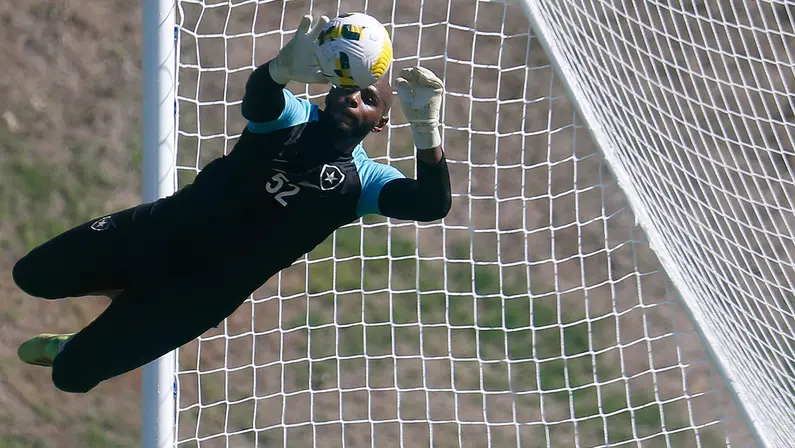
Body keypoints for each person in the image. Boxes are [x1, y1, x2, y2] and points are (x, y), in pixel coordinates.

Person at [12, 14, 451, 393]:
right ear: (332, 89)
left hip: (195, 298)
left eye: (369, 99)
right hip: (154, 234)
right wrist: (280, 68)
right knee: (31, 275)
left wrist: (426, 132)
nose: (354, 98)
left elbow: (431, 204)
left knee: (70, 376)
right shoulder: (292, 116)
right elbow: (260, 98)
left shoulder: (365, 181)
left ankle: (74, 344)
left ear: (381, 123)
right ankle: (119, 292)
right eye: (349, 88)